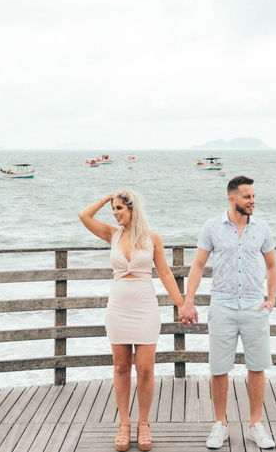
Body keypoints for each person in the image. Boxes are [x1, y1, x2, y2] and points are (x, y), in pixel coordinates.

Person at [79, 189, 187, 452]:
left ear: (132, 209)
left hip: (145, 307)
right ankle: (124, 423)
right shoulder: (111, 234)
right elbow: (83, 215)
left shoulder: (152, 238)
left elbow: (164, 273)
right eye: (113, 209)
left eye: (119, 208)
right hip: (117, 308)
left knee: (146, 369)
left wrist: (182, 305)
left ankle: (144, 423)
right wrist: (106, 197)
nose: (115, 213)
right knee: (120, 367)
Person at [179, 176, 276, 449]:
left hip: (253, 306)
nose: (253, 201)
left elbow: (272, 266)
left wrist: (270, 300)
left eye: (254, 196)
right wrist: (188, 302)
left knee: (257, 367)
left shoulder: (262, 229)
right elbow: (198, 266)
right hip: (221, 305)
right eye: (248, 197)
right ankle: (220, 424)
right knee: (219, 367)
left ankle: (255, 426)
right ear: (232, 199)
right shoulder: (212, 227)